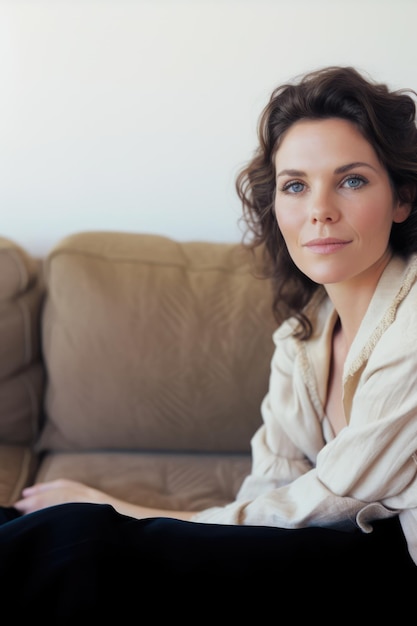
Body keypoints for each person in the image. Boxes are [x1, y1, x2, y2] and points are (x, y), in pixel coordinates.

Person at [2, 65, 417, 618]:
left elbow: (327, 503)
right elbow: (270, 488)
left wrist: (123, 510)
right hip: (326, 546)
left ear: (402, 200)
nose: (320, 209)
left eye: (352, 180)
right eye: (296, 185)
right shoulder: (305, 333)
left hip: (396, 572)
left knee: (82, 544)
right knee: (30, 528)